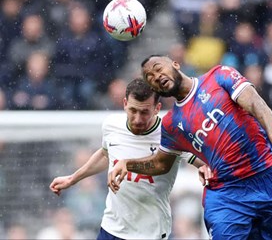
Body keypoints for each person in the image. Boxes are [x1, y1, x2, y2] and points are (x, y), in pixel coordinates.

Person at [108, 55, 272, 240]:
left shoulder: (218, 76)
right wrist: (128, 164)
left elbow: (254, 101)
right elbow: (161, 164)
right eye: (149, 77)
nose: (156, 76)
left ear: (175, 64)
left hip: (265, 181)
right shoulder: (171, 125)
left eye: (158, 68)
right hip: (227, 195)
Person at [49, 78, 209, 239]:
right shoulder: (112, 125)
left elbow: (203, 161)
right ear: (125, 103)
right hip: (112, 228)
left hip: (150, 232)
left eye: (144, 112)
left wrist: (204, 166)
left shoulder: (170, 133)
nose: (138, 119)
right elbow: (106, 153)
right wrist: (73, 178)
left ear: (157, 108)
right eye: (133, 110)